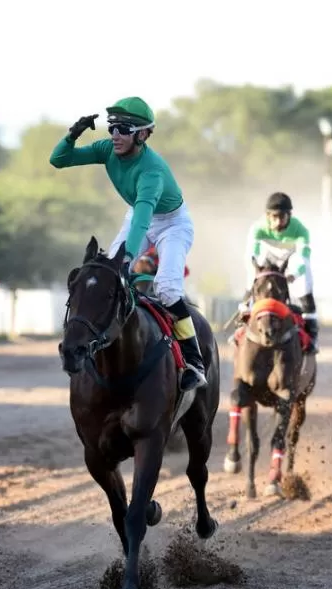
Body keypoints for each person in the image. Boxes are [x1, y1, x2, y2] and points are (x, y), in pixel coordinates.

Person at [48, 96, 207, 391]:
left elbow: (143, 222)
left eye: (124, 128)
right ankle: (100, 345)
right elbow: (58, 160)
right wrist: (72, 134)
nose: (116, 135)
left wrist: (127, 257)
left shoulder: (152, 171)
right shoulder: (107, 149)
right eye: (112, 128)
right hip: (137, 215)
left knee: (168, 289)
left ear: (143, 134)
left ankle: (194, 362)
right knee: (107, 278)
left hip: (171, 224)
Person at [231, 192, 319, 354]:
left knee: (305, 282)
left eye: (283, 217)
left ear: (289, 216)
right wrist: (257, 272)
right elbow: (252, 255)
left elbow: (303, 258)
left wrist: (293, 274)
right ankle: (242, 323)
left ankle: (312, 336)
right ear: (267, 216)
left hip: (291, 259)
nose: (278, 222)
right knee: (253, 279)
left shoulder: (301, 230)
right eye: (274, 217)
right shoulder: (257, 228)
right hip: (267, 257)